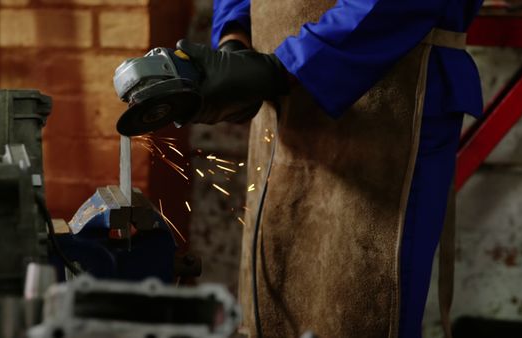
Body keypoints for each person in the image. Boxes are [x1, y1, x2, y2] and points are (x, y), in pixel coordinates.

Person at [175, 1, 484, 337]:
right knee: (271, 302)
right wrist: (234, 40)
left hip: (389, 98)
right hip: (278, 96)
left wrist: (286, 67)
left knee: (364, 311)